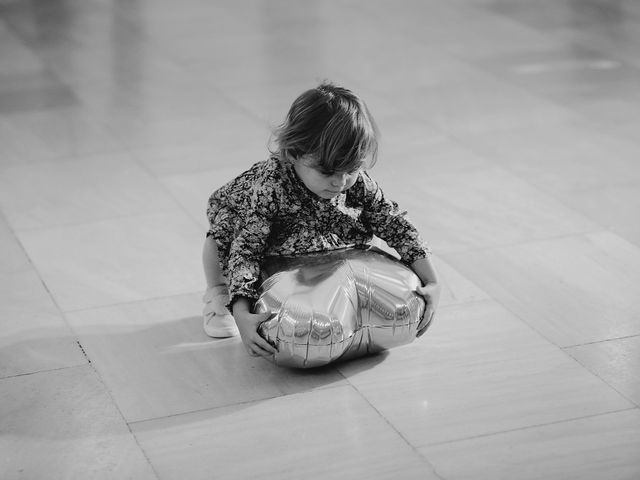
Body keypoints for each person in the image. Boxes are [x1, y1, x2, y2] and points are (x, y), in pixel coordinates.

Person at [202, 82, 440, 358]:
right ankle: (216, 294)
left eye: (351, 169)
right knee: (218, 242)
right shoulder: (270, 186)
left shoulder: (355, 181)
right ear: (293, 154)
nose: (340, 182)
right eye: (327, 171)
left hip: (320, 236)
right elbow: (247, 250)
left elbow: (394, 223)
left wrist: (431, 281)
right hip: (262, 231)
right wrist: (241, 311)